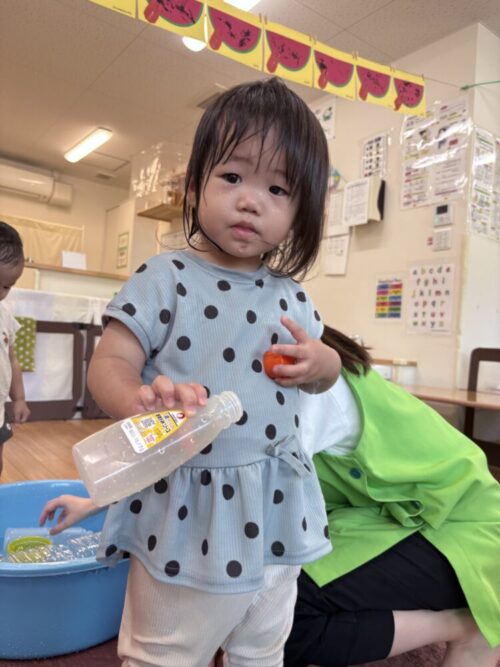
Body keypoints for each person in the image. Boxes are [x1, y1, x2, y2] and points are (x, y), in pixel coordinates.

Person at [84, 77, 341, 667]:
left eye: (277, 188)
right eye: (232, 177)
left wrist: (323, 364)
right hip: (186, 505)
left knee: (263, 645)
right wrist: (138, 399)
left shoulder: (294, 298)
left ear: (300, 211)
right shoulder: (164, 277)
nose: (251, 201)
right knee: (164, 652)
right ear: (196, 185)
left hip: (276, 502)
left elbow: (321, 378)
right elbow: (110, 363)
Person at [284, 325, 500, 667]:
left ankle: (463, 627)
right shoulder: (306, 368)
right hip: (396, 513)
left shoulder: (307, 382)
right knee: (270, 597)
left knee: (279, 610)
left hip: (463, 528)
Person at [0, 221, 30, 477]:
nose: (1, 293)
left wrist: (19, 398)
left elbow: (11, 358)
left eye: (7, 286)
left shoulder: (4, 315)